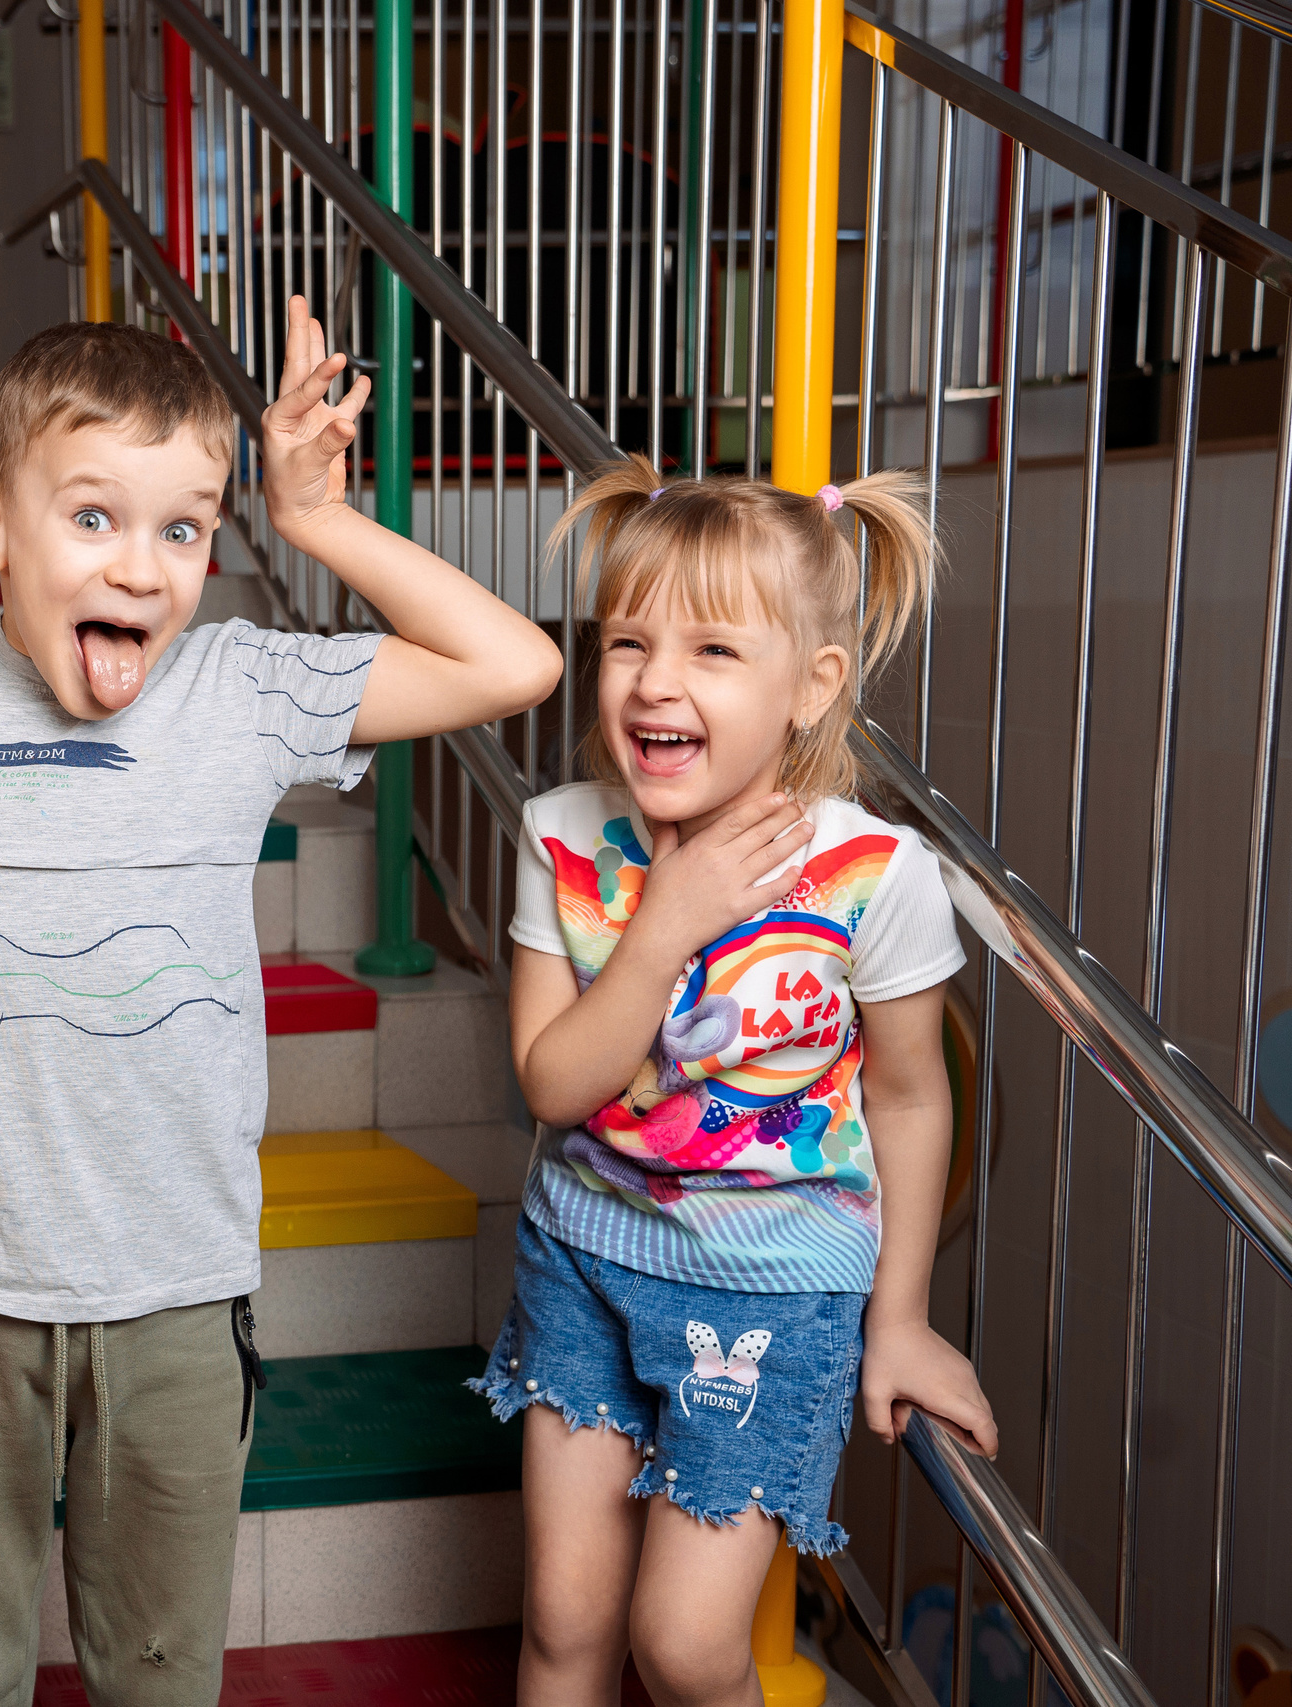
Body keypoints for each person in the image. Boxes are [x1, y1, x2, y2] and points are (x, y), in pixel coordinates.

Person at [0, 298, 564, 1704]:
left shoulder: (239, 685)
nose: (141, 568)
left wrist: (314, 518)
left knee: (161, 1681)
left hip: (178, 1297)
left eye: (184, 528)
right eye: (92, 517)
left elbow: (516, 665)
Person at [478, 455, 1000, 1707]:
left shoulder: (876, 874)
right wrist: (670, 921)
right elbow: (554, 1085)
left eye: (713, 651)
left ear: (810, 687)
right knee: (561, 1619)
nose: (654, 681)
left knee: (689, 1647)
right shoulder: (562, 834)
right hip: (585, 1258)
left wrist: (902, 1320)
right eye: (626, 643)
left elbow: (913, 1098)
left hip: (775, 1297)